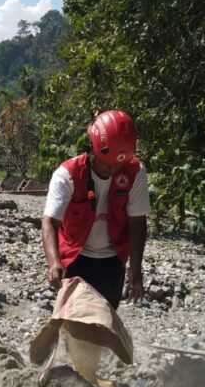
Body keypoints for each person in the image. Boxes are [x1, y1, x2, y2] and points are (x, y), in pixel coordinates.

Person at [41, 110, 149, 309]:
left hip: (113, 260)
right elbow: (50, 222)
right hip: (75, 258)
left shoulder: (135, 172)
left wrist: (135, 269)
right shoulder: (67, 175)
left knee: (104, 321)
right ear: (92, 150)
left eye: (119, 165)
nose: (114, 170)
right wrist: (54, 263)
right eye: (108, 166)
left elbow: (137, 222)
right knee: (72, 320)